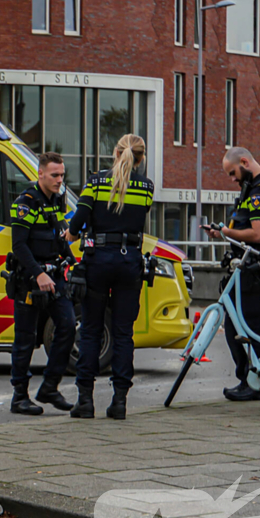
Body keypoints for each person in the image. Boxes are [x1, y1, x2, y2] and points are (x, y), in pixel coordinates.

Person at [65, 134, 154, 420]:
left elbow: (78, 222)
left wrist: (67, 236)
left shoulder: (96, 182)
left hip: (98, 261)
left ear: (115, 152)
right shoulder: (147, 188)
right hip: (130, 263)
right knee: (123, 333)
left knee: (90, 330)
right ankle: (119, 402)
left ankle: (85, 401)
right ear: (140, 158)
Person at [208, 147, 260, 401]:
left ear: (244, 162)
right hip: (247, 265)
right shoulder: (253, 188)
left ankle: (257, 382)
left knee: (249, 325)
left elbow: (258, 234)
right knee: (236, 325)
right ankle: (252, 379)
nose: (232, 179)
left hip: (255, 266)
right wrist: (221, 232)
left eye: (233, 172)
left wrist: (227, 233)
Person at [8, 151, 76, 415]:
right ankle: (19, 397)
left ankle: (49, 386)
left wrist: (72, 261)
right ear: (40, 174)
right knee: (25, 339)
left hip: (54, 275)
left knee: (68, 325)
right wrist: (38, 274)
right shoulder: (26, 202)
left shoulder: (57, 201)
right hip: (30, 278)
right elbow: (19, 246)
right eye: (55, 175)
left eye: (62, 175)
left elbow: (60, 237)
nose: (60, 180)